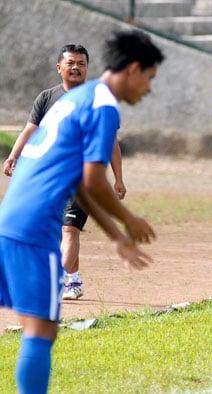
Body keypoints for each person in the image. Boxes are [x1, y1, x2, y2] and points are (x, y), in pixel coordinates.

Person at [0, 29, 164, 393]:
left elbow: (78, 183)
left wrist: (117, 237)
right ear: (134, 70)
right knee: (40, 329)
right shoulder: (103, 104)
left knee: (38, 326)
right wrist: (129, 219)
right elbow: (93, 180)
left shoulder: (77, 99)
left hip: (14, 215)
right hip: (35, 226)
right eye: (150, 79)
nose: (149, 89)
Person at [3, 44, 127, 301]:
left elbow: (111, 140)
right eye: (71, 63)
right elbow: (30, 130)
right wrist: (14, 155)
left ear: (87, 68)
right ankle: (74, 279)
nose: (76, 68)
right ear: (59, 67)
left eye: (81, 63)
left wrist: (118, 177)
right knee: (58, 230)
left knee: (70, 230)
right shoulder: (46, 98)